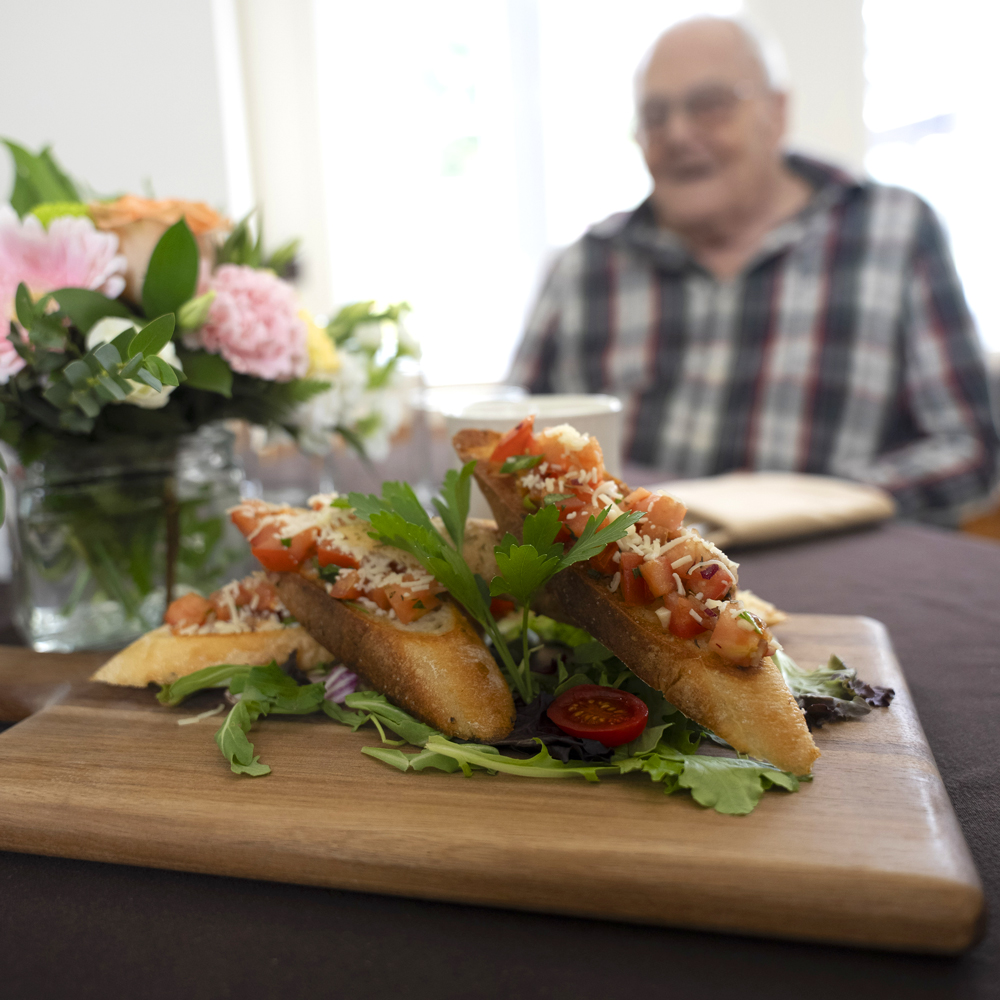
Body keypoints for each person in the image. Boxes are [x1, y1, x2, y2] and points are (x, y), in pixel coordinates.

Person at [509, 17, 998, 521]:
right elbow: (511, 441)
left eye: (709, 105)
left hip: (832, 566)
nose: (677, 133)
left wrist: (812, 503)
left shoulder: (892, 232)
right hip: (624, 579)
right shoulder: (588, 263)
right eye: (655, 115)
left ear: (776, 112)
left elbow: (969, 450)